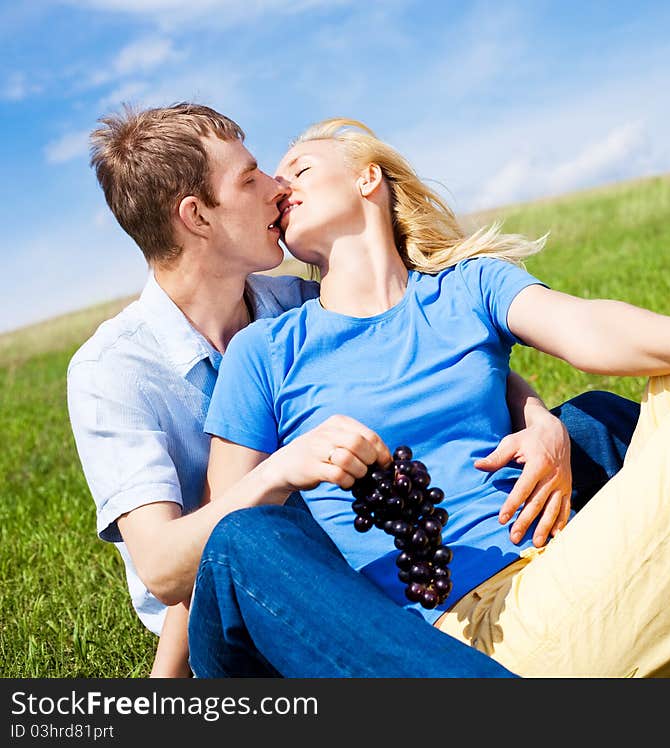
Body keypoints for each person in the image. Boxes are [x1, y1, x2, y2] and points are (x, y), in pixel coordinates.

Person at [193, 117, 670, 678]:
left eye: (300, 169)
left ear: (368, 177)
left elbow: (582, 326)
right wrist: (288, 466)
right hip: (468, 645)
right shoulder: (268, 352)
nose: (281, 187)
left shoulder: (466, 289)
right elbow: (225, 536)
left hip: (576, 575)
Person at [66, 102, 640, 678]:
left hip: (362, 562)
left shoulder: (290, 305)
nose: (275, 189)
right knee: (251, 537)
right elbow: (170, 571)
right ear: (196, 217)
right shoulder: (114, 372)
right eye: (250, 178)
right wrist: (281, 470)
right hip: (259, 607)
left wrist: (538, 417)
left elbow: (449, 361)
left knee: (594, 420)